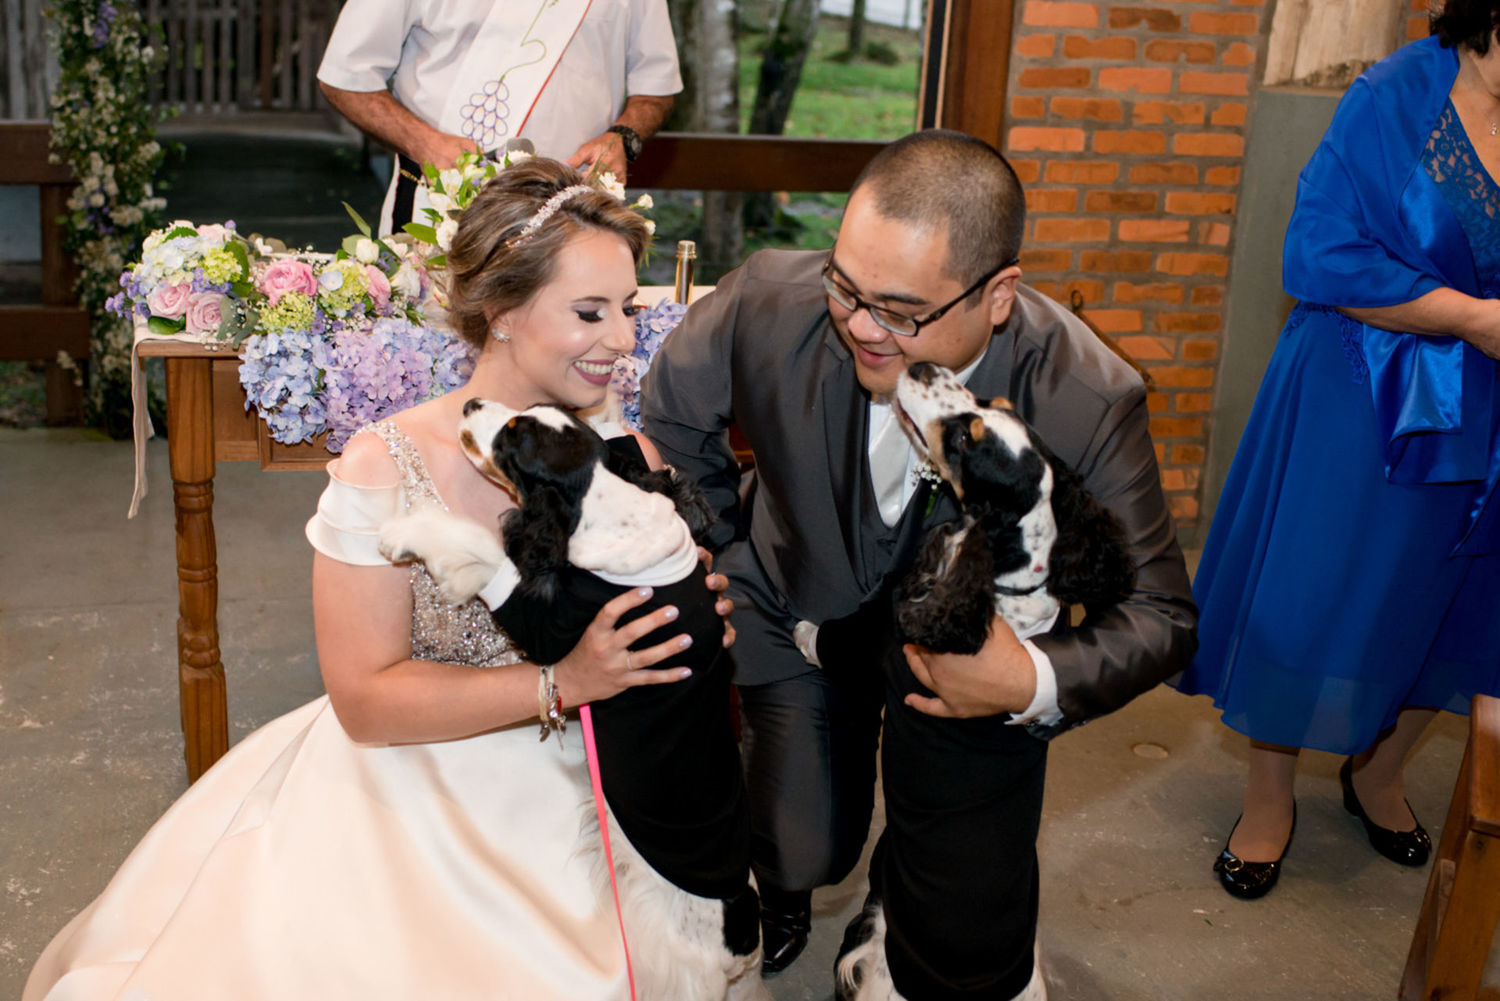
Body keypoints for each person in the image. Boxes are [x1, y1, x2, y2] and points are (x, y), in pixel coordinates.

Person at [24, 159, 735, 1000]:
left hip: (604, 780)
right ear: (502, 311)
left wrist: (685, 624)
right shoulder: (384, 464)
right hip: (413, 784)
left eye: (627, 308)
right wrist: (563, 681)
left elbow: (657, 635)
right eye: (590, 312)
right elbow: (363, 699)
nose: (621, 339)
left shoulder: (625, 456)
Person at [640, 130, 1198, 997]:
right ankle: (787, 884)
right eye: (844, 286)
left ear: (998, 294)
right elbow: (674, 417)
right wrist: (722, 548)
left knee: (953, 842)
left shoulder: (1090, 394)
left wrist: (1026, 680)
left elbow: (1162, 614)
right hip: (796, 605)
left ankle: (895, 890)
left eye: (901, 311)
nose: (862, 326)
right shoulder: (764, 299)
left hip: (968, 661)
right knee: (804, 844)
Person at [1171, 7, 1500, 901]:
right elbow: (1317, 250)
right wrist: (1472, 317)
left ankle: (1379, 771)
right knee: (1307, 594)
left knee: (1455, 600)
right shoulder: (1392, 97)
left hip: (1487, 403)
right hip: (1360, 387)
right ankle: (1268, 795)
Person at [316, 0, 681, 232]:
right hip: (444, 202)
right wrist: (423, 142)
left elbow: (656, 87)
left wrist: (621, 136)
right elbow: (346, 77)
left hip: (577, 211)